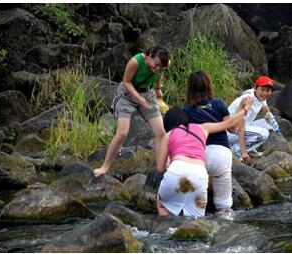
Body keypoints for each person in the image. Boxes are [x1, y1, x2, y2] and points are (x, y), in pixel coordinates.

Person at [156, 96, 253, 217]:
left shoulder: (169, 134)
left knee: (162, 205)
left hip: (176, 171)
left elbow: (160, 168)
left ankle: (166, 229)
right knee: (196, 223)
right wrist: (245, 109)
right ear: (187, 120)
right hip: (200, 176)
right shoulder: (202, 128)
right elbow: (230, 123)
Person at [94, 45, 170, 177]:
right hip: (127, 96)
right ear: (148, 56)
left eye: (161, 67)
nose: (157, 69)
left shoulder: (162, 64)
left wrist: (158, 88)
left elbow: (159, 73)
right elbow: (126, 82)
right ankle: (104, 167)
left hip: (148, 94)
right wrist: (139, 99)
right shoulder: (135, 62)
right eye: (156, 65)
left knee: (160, 132)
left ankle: (160, 168)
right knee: (122, 133)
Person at [183, 71, 235, 212]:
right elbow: (232, 129)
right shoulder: (219, 104)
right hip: (221, 154)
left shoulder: (186, 110)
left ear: (190, 89)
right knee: (224, 206)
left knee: (197, 207)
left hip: (200, 156)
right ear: (209, 86)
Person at [227, 75, 277, 163]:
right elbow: (240, 126)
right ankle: (236, 149)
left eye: (268, 90)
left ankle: (249, 147)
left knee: (271, 124)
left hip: (243, 125)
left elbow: (265, 108)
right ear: (255, 88)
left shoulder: (260, 96)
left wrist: (270, 116)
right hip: (230, 131)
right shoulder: (248, 100)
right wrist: (243, 152)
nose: (265, 93)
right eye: (262, 89)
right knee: (264, 133)